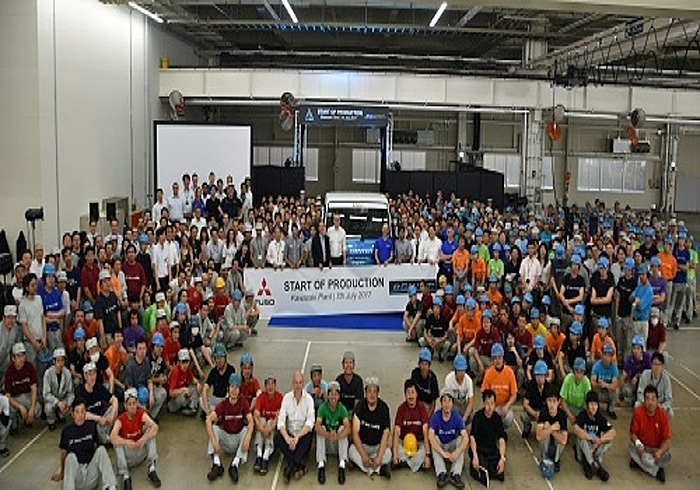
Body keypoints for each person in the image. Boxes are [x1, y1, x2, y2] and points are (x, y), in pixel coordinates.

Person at [51, 398, 117, 490]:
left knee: (101, 450)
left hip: (90, 474)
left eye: (82, 411)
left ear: (85, 413)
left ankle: (111, 486)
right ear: (72, 414)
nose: (80, 415)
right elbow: (63, 454)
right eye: (77, 412)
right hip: (77, 477)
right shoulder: (66, 431)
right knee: (70, 457)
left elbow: (95, 448)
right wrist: (62, 473)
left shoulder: (91, 426)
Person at [205, 373, 253, 483]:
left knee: (246, 430)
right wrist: (214, 441)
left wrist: (248, 438)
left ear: (239, 390)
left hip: (238, 440)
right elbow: (208, 420)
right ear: (228, 388)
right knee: (214, 428)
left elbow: (251, 421)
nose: (234, 390)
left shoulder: (243, 403)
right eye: (232, 387)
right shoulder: (223, 404)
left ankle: (235, 464)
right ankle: (217, 464)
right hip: (226, 438)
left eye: (237, 387)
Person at [110, 388, 161, 489]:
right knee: (117, 442)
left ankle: (151, 468)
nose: (132, 407)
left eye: (134, 403)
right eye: (129, 404)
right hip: (128, 457)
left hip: (140, 450)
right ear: (125, 406)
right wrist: (127, 442)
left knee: (150, 430)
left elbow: (155, 427)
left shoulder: (141, 414)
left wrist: (143, 439)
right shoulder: (120, 419)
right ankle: (125, 476)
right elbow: (112, 437)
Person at [275, 370, 315, 483]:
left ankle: (289, 467)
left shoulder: (309, 399)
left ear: (303, 383)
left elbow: (310, 422)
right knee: (277, 437)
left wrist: (297, 437)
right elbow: (281, 422)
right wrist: (288, 438)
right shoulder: (286, 398)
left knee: (309, 435)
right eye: (296, 383)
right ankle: (298, 465)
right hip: (290, 435)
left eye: (300, 382)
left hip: (301, 436)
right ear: (292, 383)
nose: (298, 386)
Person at [348, 377, 392, 479]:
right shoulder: (359, 407)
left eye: (374, 391)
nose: (372, 395)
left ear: (378, 393)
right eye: (369, 391)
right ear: (365, 393)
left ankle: (367, 467)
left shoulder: (384, 408)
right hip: (363, 446)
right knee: (351, 451)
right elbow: (355, 433)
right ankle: (378, 469)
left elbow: (386, 433)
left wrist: (379, 457)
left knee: (388, 454)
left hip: (377, 446)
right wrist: (363, 455)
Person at [629, 385, 672, 483]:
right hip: (643, 447)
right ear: (644, 401)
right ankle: (656, 470)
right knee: (631, 447)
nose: (650, 402)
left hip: (656, 449)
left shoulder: (662, 415)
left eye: (653, 399)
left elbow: (667, 440)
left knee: (667, 456)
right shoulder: (638, 412)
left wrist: (660, 452)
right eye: (647, 399)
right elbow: (632, 434)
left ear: (657, 401)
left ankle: (641, 463)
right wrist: (638, 444)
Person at [427, 388, 467, 489]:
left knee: (461, 441)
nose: (447, 404)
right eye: (444, 401)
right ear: (441, 403)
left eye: (449, 401)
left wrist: (457, 452)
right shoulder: (436, 416)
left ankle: (455, 473)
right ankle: (442, 473)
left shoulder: (456, 417)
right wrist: (443, 453)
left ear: (452, 403)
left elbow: (465, 437)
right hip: (441, 445)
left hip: (452, 445)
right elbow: (430, 435)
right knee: (434, 439)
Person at [573, 391, 616, 481]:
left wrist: (600, 440)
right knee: (582, 438)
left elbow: (613, 432)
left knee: (608, 440)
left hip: (595, 447)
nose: (593, 407)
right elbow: (575, 429)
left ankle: (590, 463)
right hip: (584, 447)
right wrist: (591, 438)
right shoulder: (582, 415)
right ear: (587, 405)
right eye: (591, 404)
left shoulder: (599, 417)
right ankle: (594, 464)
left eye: (595, 404)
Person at [469, 389, 507, 486]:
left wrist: (502, 458)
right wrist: (475, 456)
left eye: (492, 404)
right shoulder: (478, 417)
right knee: (480, 463)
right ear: (483, 403)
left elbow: (501, 439)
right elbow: (472, 438)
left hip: (491, 450)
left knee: (499, 471)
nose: (490, 407)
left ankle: (487, 471)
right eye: (487, 403)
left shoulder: (497, 418)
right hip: (479, 449)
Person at [316, 380, 350, 484]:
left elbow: (348, 428)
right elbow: (317, 425)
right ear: (327, 396)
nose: (333, 397)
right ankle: (321, 465)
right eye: (331, 394)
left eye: (336, 394)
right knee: (321, 428)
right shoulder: (322, 407)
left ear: (339, 396)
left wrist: (337, 435)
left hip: (337, 444)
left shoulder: (342, 408)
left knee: (342, 428)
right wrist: (327, 434)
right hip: (326, 443)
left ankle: (342, 465)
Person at [393, 378, 430, 474]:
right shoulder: (401, 409)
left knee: (423, 452)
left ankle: (405, 462)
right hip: (404, 442)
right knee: (395, 449)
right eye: (408, 392)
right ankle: (414, 463)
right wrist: (395, 453)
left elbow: (426, 431)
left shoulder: (422, 408)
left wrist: (427, 455)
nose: (411, 396)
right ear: (405, 394)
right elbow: (396, 431)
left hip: (419, 442)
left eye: (413, 392)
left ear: (417, 394)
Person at [75, 361, 118, 444]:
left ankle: (104, 436)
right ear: (85, 376)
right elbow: (81, 413)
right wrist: (99, 419)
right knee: (93, 426)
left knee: (114, 408)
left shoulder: (99, 387)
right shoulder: (79, 391)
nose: (92, 377)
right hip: (90, 420)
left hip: (102, 418)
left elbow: (114, 399)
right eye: (90, 374)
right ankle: (107, 439)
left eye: (94, 373)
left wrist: (111, 415)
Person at [123, 339, 166, 421]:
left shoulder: (146, 361)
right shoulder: (130, 365)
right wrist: (139, 404)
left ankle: (150, 416)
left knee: (162, 393)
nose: (142, 351)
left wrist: (151, 394)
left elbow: (149, 379)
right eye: (140, 349)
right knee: (139, 397)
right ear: (136, 350)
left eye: (144, 348)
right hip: (133, 392)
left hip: (145, 388)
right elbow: (130, 388)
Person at [4, 342, 41, 431]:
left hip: (27, 396)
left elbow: (34, 388)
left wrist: (32, 409)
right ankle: (14, 423)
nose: (21, 359)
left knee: (37, 409)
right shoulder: (9, 372)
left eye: (23, 355)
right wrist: (20, 407)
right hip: (15, 398)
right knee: (9, 408)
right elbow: (7, 396)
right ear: (13, 358)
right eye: (18, 356)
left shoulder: (29, 367)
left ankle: (28, 418)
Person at [480, 343, 517, 429]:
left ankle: (503, 430)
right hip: (492, 405)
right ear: (492, 360)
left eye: (499, 357)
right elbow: (484, 392)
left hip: (505, 405)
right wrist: (490, 406)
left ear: (503, 358)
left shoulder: (510, 372)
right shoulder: (488, 373)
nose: (497, 361)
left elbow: (514, 394)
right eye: (495, 358)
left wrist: (507, 406)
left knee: (508, 418)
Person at [253, 372, 282, 475]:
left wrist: (269, 428)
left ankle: (266, 456)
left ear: (275, 385)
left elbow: (278, 417)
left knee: (270, 421)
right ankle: (259, 454)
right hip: (264, 427)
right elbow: (256, 414)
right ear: (265, 386)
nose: (270, 386)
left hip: (273, 429)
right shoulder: (261, 397)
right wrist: (261, 428)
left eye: (272, 383)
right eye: (268, 384)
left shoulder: (280, 398)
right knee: (261, 420)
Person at [535, 386, 568, 474]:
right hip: (547, 440)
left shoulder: (562, 415)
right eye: (549, 401)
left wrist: (550, 430)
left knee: (560, 440)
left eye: (554, 401)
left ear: (558, 402)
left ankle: (556, 460)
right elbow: (538, 436)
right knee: (544, 436)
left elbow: (564, 440)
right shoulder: (543, 413)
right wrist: (552, 428)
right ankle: (545, 458)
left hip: (556, 441)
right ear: (546, 402)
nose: (552, 404)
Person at [43, 347, 74, 431]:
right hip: (52, 401)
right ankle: (51, 421)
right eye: (58, 361)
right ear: (54, 361)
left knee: (69, 408)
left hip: (63, 400)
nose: (60, 364)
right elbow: (46, 394)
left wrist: (68, 404)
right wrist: (57, 403)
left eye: (62, 361)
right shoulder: (48, 373)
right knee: (48, 408)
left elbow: (70, 392)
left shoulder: (67, 373)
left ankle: (61, 415)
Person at [636, 352, 673, 418]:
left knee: (670, 413)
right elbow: (640, 393)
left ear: (662, 366)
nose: (657, 367)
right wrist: (647, 403)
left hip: (660, 405)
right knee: (637, 405)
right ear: (651, 365)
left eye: (659, 365)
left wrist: (661, 407)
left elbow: (669, 399)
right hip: (646, 403)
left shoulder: (666, 378)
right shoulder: (645, 374)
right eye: (655, 364)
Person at [201, 344, 235, 417]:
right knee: (201, 400)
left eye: (221, 357)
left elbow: (232, 389)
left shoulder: (231, 370)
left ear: (225, 358)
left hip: (226, 399)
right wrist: (207, 409)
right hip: (216, 399)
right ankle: (213, 414)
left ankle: (216, 414)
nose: (219, 360)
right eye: (217, 358)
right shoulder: (213, 371)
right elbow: (205, 389)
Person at [521, 360, 552, 439]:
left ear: (545, 376)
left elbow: (552, 404)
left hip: (545, 411)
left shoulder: (549, 387)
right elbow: (525, 403)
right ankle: (527, 428)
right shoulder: (531, 385)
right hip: (533, 410)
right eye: (537, 375)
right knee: (524, 415)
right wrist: (534, 413)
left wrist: (543, 414)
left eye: (541, 375)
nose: (539, 378)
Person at [591, 342, 620, 419]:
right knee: (593, 390)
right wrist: (598, 385)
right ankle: (596, 409)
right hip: (599, 391)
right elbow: (592, 382)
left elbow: (614, 385)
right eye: (605, 354)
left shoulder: (614, 368)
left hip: (608, 392)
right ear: (602, 355)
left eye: (609, 355)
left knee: (616, 391)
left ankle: (611, 409)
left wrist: (605, 385)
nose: (607, 358)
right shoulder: (596, 365)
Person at [167, 348, 200, 415]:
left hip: (181, 395)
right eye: (183, 362)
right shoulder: (176, 371)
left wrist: (198, 384)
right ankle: (185, 407)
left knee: (194, 388)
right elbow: (171, 393)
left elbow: (193, 379)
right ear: (179, 362)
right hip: (173, 401)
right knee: (184, 394)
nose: (185, 365)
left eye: (187, 362)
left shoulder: (187, 369)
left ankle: (192, 407)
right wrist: (183, 389)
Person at [620, 334, 652, 405]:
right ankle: (634, 395)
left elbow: (650, 374)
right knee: (627, 391)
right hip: (633, 384)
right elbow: (623, 377)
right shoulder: (629, 359)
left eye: (638, 348)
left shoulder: (647, 358)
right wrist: (621, 392)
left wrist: (638, 376)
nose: (636, 351)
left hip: (646, 382)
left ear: (642, 349)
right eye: (634, 348)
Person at [443, 355, 474, 424]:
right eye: (459, 371)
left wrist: (464, 419)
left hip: (463, 404)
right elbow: (446, 400)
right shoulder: (449, 379)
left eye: (463, 370)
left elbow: (470, 402)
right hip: (452, 404)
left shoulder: (468, 380)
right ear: (455, 370)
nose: (461, 373)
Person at [420, 297, 450, 362]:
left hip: (440, 339)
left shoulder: (443, 319)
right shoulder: (430, 317)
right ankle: (428, 352)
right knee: (421, 341)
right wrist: (428, 340)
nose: (436, 310)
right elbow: (425, 331)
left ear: (440, 309)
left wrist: (439, 340)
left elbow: (446, 334)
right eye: (434, 308)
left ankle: (441, 355)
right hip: (432, 338)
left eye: (437, 308)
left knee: (447, 344)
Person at [411, 348, 439, 414]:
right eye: (422, 363)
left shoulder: (433, 378)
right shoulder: (414, 373)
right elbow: (411, 392)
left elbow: (433, 402)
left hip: (428, 406)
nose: (424, 366)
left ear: (429, 365)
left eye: (426, 364)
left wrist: (427, 417)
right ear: (419, 364)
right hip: (416, 403)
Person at [335, 351, 363, 416]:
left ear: (354, 365)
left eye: (350, 363)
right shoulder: (339, 380)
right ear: (342, 365)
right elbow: (337, 400)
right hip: (341, 411)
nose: (348, 365)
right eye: (346, 363)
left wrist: (353, 414)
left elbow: (358, 401)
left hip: (354, 411)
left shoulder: (358, 380)